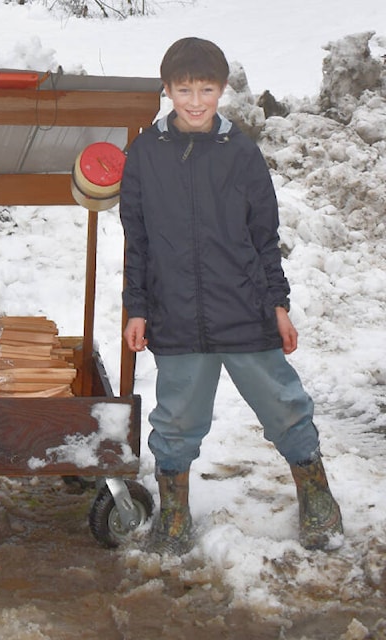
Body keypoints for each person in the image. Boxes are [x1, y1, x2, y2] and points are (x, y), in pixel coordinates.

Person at [119, 37, 343, 555]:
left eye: (206, 89)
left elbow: (265, 236)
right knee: (174, 419)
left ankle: (317, 496)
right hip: (176, 317)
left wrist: (277, 304)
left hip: (244, 311)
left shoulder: (241, 152)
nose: (195, 101)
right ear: (167, 90)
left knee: (285, 405)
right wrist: (137, 307)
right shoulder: (145, 154)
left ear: (222, 90)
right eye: (184, 89)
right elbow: (138, 239)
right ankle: (173, 515)